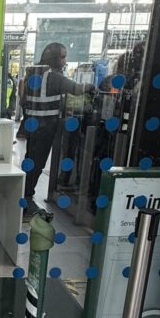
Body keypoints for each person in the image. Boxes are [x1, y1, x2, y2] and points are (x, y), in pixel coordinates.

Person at [23, 42, 95, 219]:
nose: (65, 61)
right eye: (63, 56)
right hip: (46, 127)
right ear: (55, 58)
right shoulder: (54, 77)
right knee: (37, 164)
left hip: (33, 125)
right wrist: (93, 87)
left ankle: (24, 196)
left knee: (31, 161)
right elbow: (77, 89)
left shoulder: (35, 73)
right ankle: (27, 199)